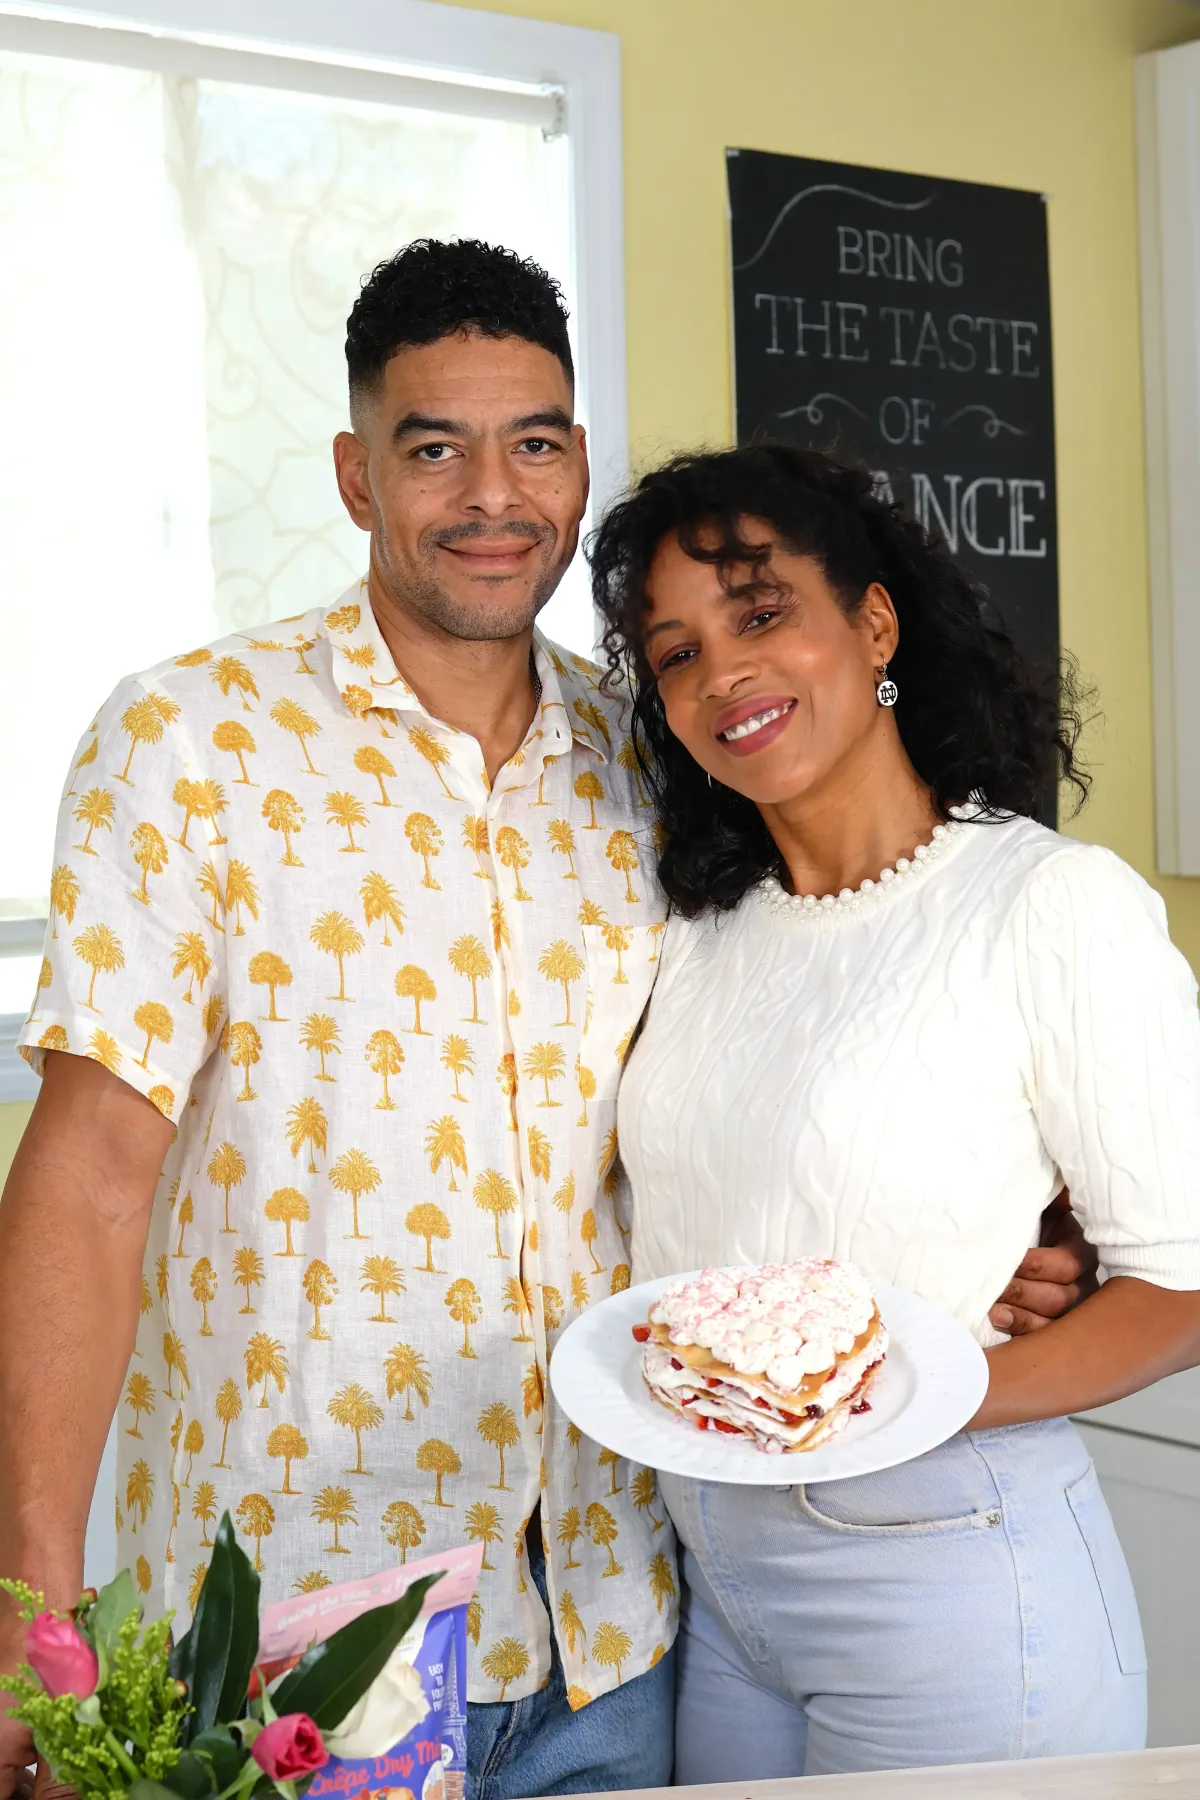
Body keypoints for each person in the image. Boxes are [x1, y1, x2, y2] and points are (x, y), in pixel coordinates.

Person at [0, 248, 1087, 1800]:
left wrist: (1022, 1230)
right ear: (355, 476)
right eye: (433, 446)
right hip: (309, 1652)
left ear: (578, 459)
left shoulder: (654, 758)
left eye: (538, 441)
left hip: (620, 1623)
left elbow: (808, 1044)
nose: (491, 494)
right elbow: (92, 1178)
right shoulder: (185, 743)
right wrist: (29, 1612)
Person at [590, 442, 1200, 1781]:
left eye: (761, 615)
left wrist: (924, 1392)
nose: (723, 675)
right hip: (716, 1584)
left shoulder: (1046, 904)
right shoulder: (698, 937)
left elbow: (1183, 1286)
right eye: (678, 654)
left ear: (874, 623)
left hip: (948, 1573)